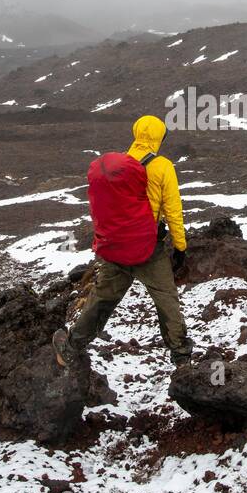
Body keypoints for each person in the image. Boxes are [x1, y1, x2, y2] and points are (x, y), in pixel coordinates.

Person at [54, 115, 195, 367]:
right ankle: (181, 356)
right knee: (166, 298)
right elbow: (173, 211)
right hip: (148, 249)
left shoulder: (118, 165)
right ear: (159, 137)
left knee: (102, 298)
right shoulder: (162, 167)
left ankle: (71, 348)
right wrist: (181, 248)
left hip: (116, 247)